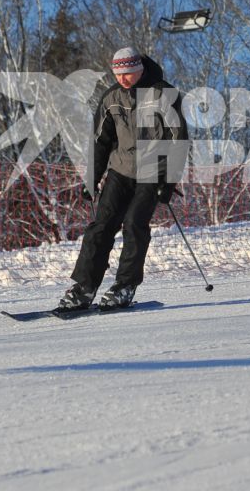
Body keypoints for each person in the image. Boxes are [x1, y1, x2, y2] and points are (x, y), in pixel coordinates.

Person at [59, 47, 190, 311]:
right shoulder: (111, 98)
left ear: (139, 69)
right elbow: (100, 141)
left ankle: (124, 286)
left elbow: (179, 140)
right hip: (120, 171)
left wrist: (170, 182)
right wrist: (91, 179)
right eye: (118, 73)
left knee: (133, 224)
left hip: (153, 173)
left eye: (128, 73)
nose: (123, 79)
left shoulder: (164, 94)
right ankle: (84, 287)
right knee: (101, 227)